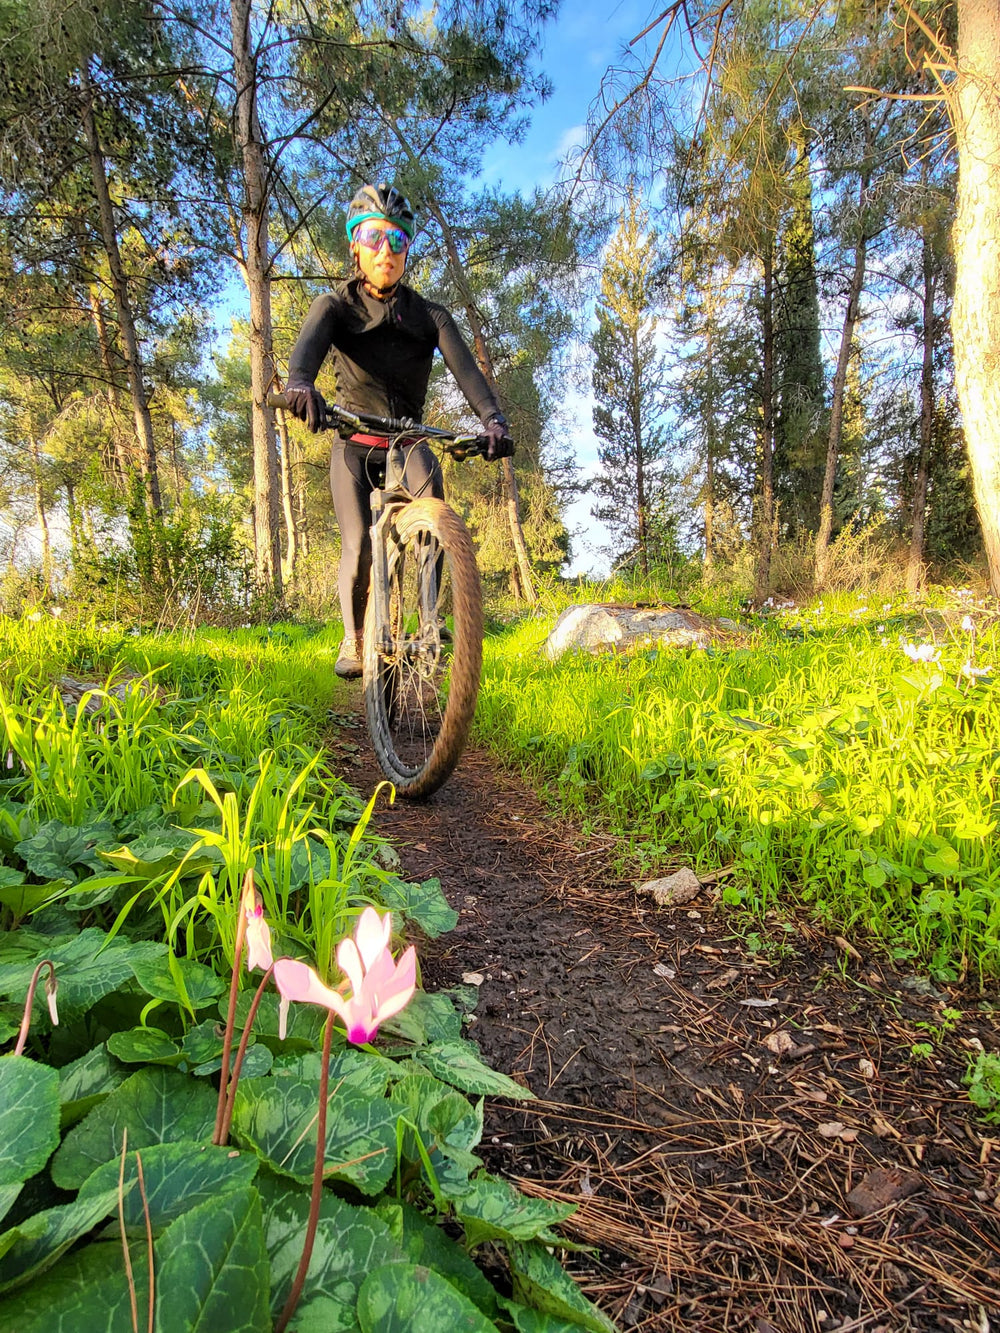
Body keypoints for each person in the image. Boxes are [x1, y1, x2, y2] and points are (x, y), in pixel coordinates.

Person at [283, 182, 513, 679]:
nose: (384, 251)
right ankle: (356, 636)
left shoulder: (429, 317)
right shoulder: (335, 308)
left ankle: (430, 623)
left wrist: (492, 420)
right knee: (360, 545)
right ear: (354, 245)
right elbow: (303, 363)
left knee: (435, 513)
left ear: (408, 248)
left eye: (396, 240)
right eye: (372, 237)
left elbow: (469, 374)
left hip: (407, 442)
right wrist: (301, 387)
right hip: (354, 443)